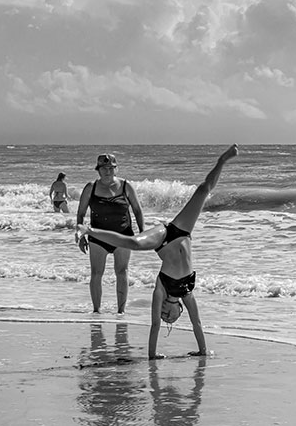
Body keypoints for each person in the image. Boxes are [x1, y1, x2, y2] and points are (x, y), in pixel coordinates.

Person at [77, 144, 238, 359]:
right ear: (178, 309)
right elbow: (197, 323)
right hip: (181, 232)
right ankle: (224, 160)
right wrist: (203, 351)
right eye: (169, 316)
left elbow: (154, 326)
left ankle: (91, 230)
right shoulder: (187, 293)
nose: (165, 315)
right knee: (203, 190)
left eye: (164, 315)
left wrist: (152, 356)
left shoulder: (160, 291)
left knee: (132, 243)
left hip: (162, 238)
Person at [76, 153, 145, 314]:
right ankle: (96, 311)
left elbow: (137, 210)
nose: (108, 171)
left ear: (116, 168)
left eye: (111, 168)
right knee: (96, 273)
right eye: (104, 168)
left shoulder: (125, 186)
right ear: (98, 170)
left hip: (123, 236)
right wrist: (80, 235)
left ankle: (121, 311)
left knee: (122, 272)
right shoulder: (90, 188)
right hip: (98, 237)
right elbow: (80, 214)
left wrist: (142, 234)